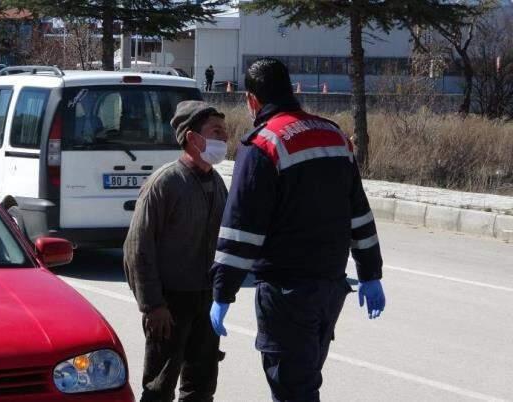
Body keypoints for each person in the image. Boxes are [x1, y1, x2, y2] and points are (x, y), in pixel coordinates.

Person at [208, 58, 387, 402]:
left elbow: (242, 230)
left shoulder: (263, 145)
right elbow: (359, 213)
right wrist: (369, 272)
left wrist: (222, 292)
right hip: (330, 289)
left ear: (252, 100)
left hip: (286, 293)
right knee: (304, 381)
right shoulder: (334, 135)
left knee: (293, 389)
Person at [124, 100, 229, 402]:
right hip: (169, 304)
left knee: (201, 386)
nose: (223, 138)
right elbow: (137, 247)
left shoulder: (218, 183)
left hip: (206, 301)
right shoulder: (165, 183)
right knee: (159, 387)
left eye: (224, 132)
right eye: (216, 132)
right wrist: (153, 305)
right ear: (193, 138)